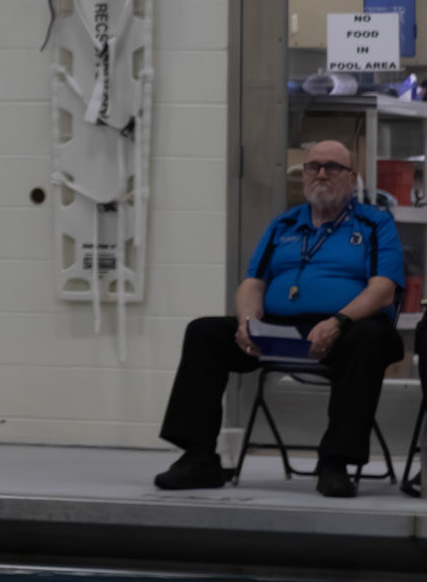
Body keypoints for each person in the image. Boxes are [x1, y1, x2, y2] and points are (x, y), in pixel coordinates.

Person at [154, 139, 404, 498]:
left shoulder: (374, 223)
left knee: (370, 338)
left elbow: (383, 289)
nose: (321, 174)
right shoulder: (283, 224)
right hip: (281, 327)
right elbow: (253, 282)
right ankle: (199, 458)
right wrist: (247, 322)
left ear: (352, 178)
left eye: (332, 167)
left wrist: (338, 321)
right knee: (204, 332)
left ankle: (335, 463)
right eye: (313, 166)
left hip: (345, 329)